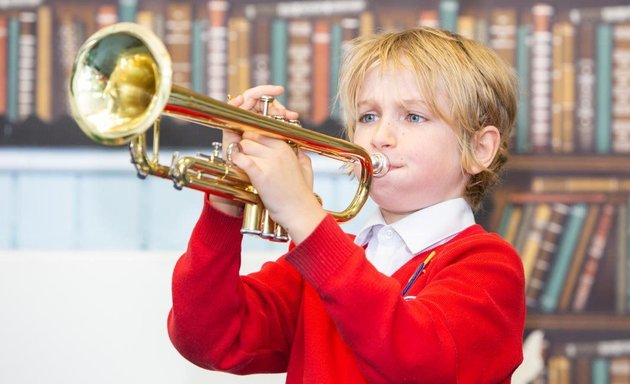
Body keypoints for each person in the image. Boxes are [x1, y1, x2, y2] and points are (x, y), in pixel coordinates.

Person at [167, 27, 526, 383]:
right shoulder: (325, 262)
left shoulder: (489, 265)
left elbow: (416, 360)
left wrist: (301, 214)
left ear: (479, 149)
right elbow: (207, 338)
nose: (380, 137)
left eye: (413, 117)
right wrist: (226, 203)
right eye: (368, 116)